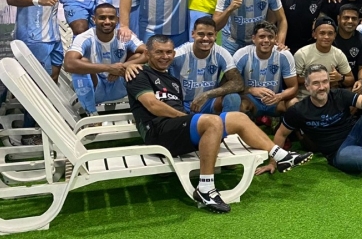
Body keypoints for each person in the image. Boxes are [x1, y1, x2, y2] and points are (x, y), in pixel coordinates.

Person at [126, 35, 311, 214]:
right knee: (212, 121)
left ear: (174, 54)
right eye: (159, 52)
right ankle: (205, 188)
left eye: (168, 52)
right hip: (157, 132)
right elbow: (152, 105)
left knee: (239, 118)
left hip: (177, 130)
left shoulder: (173, 82)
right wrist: (184, 116)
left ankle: (281, 156)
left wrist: (186, 119)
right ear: (148, 54)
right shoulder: (138, 73)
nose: (165, 56)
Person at [259, 64, 362, 182]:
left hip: (357, 135)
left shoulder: (339, 94)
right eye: (316, 83)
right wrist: (273, 162)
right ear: (308, 87)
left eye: (324, 82)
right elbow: (281, 134)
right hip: (339, 153)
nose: (321, 87)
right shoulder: (298, 110)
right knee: (360, 160)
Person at [65, 3, 147, 114]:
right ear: (94, 19)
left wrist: (121, 68)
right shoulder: (84, 37)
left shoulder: (124, 36)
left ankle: (142, 109)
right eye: (102, 18)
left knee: (137, 59)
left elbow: (148, 54)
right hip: (95, 87)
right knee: (81, 63)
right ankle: (91, 114)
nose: (107, 21)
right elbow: (68, 64)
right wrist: (109, 68)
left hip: (119, 84)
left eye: (111, 18)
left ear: (117, 20)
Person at [171, 17, 243, 115]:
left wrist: (207, 95)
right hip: (181, 103)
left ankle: (226, 124)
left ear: (216, 35)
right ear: (193, 34)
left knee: (233, 98)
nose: (205, 38)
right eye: (201, 34)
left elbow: (238, 83)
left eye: (210, 34)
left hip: (208, 103)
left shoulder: (221, 53)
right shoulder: (179, 54)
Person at [232, 21, 298, 118]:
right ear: (253, 38)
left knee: (294, 103)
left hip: (276, 101)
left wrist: (279, 96)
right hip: (251, 100)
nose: (266, 40)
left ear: (275, 39)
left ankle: (284, 125)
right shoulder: (242, 55)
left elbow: (293, 87)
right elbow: (230, 85)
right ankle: (248, 123)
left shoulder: (284, 55)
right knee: (237, 104)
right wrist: (250, 90)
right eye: (262, 36)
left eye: (270, 37)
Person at [293, 17, 353, 98]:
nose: (326, 37)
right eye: (322, 33)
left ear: (335, 35)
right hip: (305, 97)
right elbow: (293, 81)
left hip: (329, 98)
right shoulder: (302, 54)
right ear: (314, 34)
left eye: (330, 33)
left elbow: (351, 79)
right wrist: (320, 78)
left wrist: (340, 78)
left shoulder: (338, 54)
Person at [333, 4, 362, 95]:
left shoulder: (361, 39)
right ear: (338, 18)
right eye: (346, 18)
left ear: (358, 20)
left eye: (354, 18)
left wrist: (360, 81)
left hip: (352, 81)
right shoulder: (330, 36)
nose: (350, 21)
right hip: (332, 80)